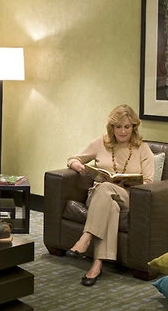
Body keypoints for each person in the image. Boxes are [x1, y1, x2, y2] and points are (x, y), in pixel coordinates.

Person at [66, 104, 155, 286]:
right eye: (118, 127)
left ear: (134, 127)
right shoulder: (101, 143)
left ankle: (86, 238)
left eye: (127, 127)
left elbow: (149, 182)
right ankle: (97, 265)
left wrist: (129, 182)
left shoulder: (142, 149)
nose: (122, 131)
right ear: (112, 127)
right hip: (98, 197)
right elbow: (72, 159)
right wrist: (78, 166)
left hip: (128, 197)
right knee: (110, 203)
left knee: (107, 189)